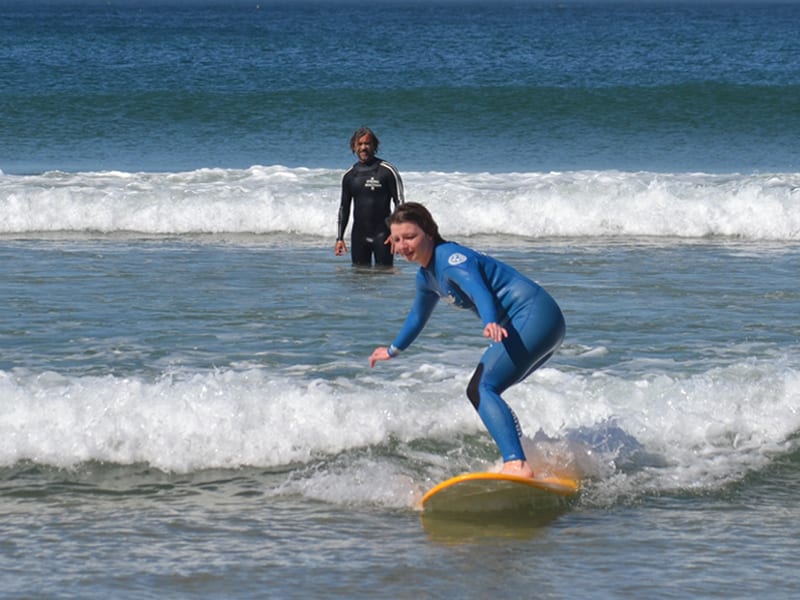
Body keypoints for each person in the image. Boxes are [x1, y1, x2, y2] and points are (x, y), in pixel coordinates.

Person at [369, 202, 566, 479]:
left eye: (410, 237)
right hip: (537, 323)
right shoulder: (427, 277)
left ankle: (517, 464)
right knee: (488, 389)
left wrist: (489, 321)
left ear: (429, 232)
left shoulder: (449, 258)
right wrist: (392, 350)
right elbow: (417, 317)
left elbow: (478, 289)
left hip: (533, 317)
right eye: (397, 239)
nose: (403, 245)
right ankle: (523, 457)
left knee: (482, 387)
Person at [335, 127, 404, 267]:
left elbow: (400, 202)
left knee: (384, 278)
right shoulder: (349, 175)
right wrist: (340, 238)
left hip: (384, 235)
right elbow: (344, 208)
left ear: (374, 146)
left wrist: (397, 232)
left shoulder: (387, 170)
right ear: (354, 147)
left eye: (367, 143)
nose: (363, 148)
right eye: (359, 144)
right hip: (359, 236)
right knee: (359, 279)